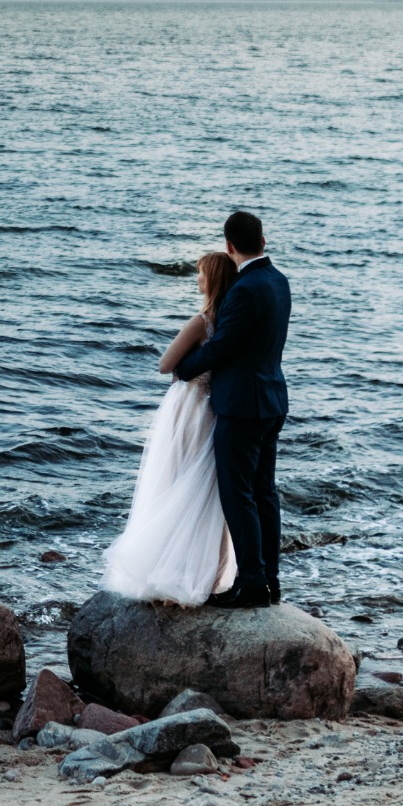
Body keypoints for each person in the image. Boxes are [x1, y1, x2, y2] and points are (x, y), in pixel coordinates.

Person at [101, 251, 239, 604]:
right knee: (207, 495)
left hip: (189, 409)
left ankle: (171, 571)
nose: (197, 279)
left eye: (200, 274)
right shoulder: (233, 322)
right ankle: (212, 575)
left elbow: (165, 365)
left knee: (176, 484)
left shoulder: (203, 321)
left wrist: (185, 367)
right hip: (217, 411)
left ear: (211, 278)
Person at [173, 210, 291, 608]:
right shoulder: (278, 280)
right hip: (272, 399)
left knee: (238, 495)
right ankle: (270, 579)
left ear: (229, 246)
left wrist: (183, 369)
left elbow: (223, 346)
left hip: (243, 407)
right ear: (263, 239)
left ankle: (253, 583)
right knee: (264, 494)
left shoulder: (244, 288)